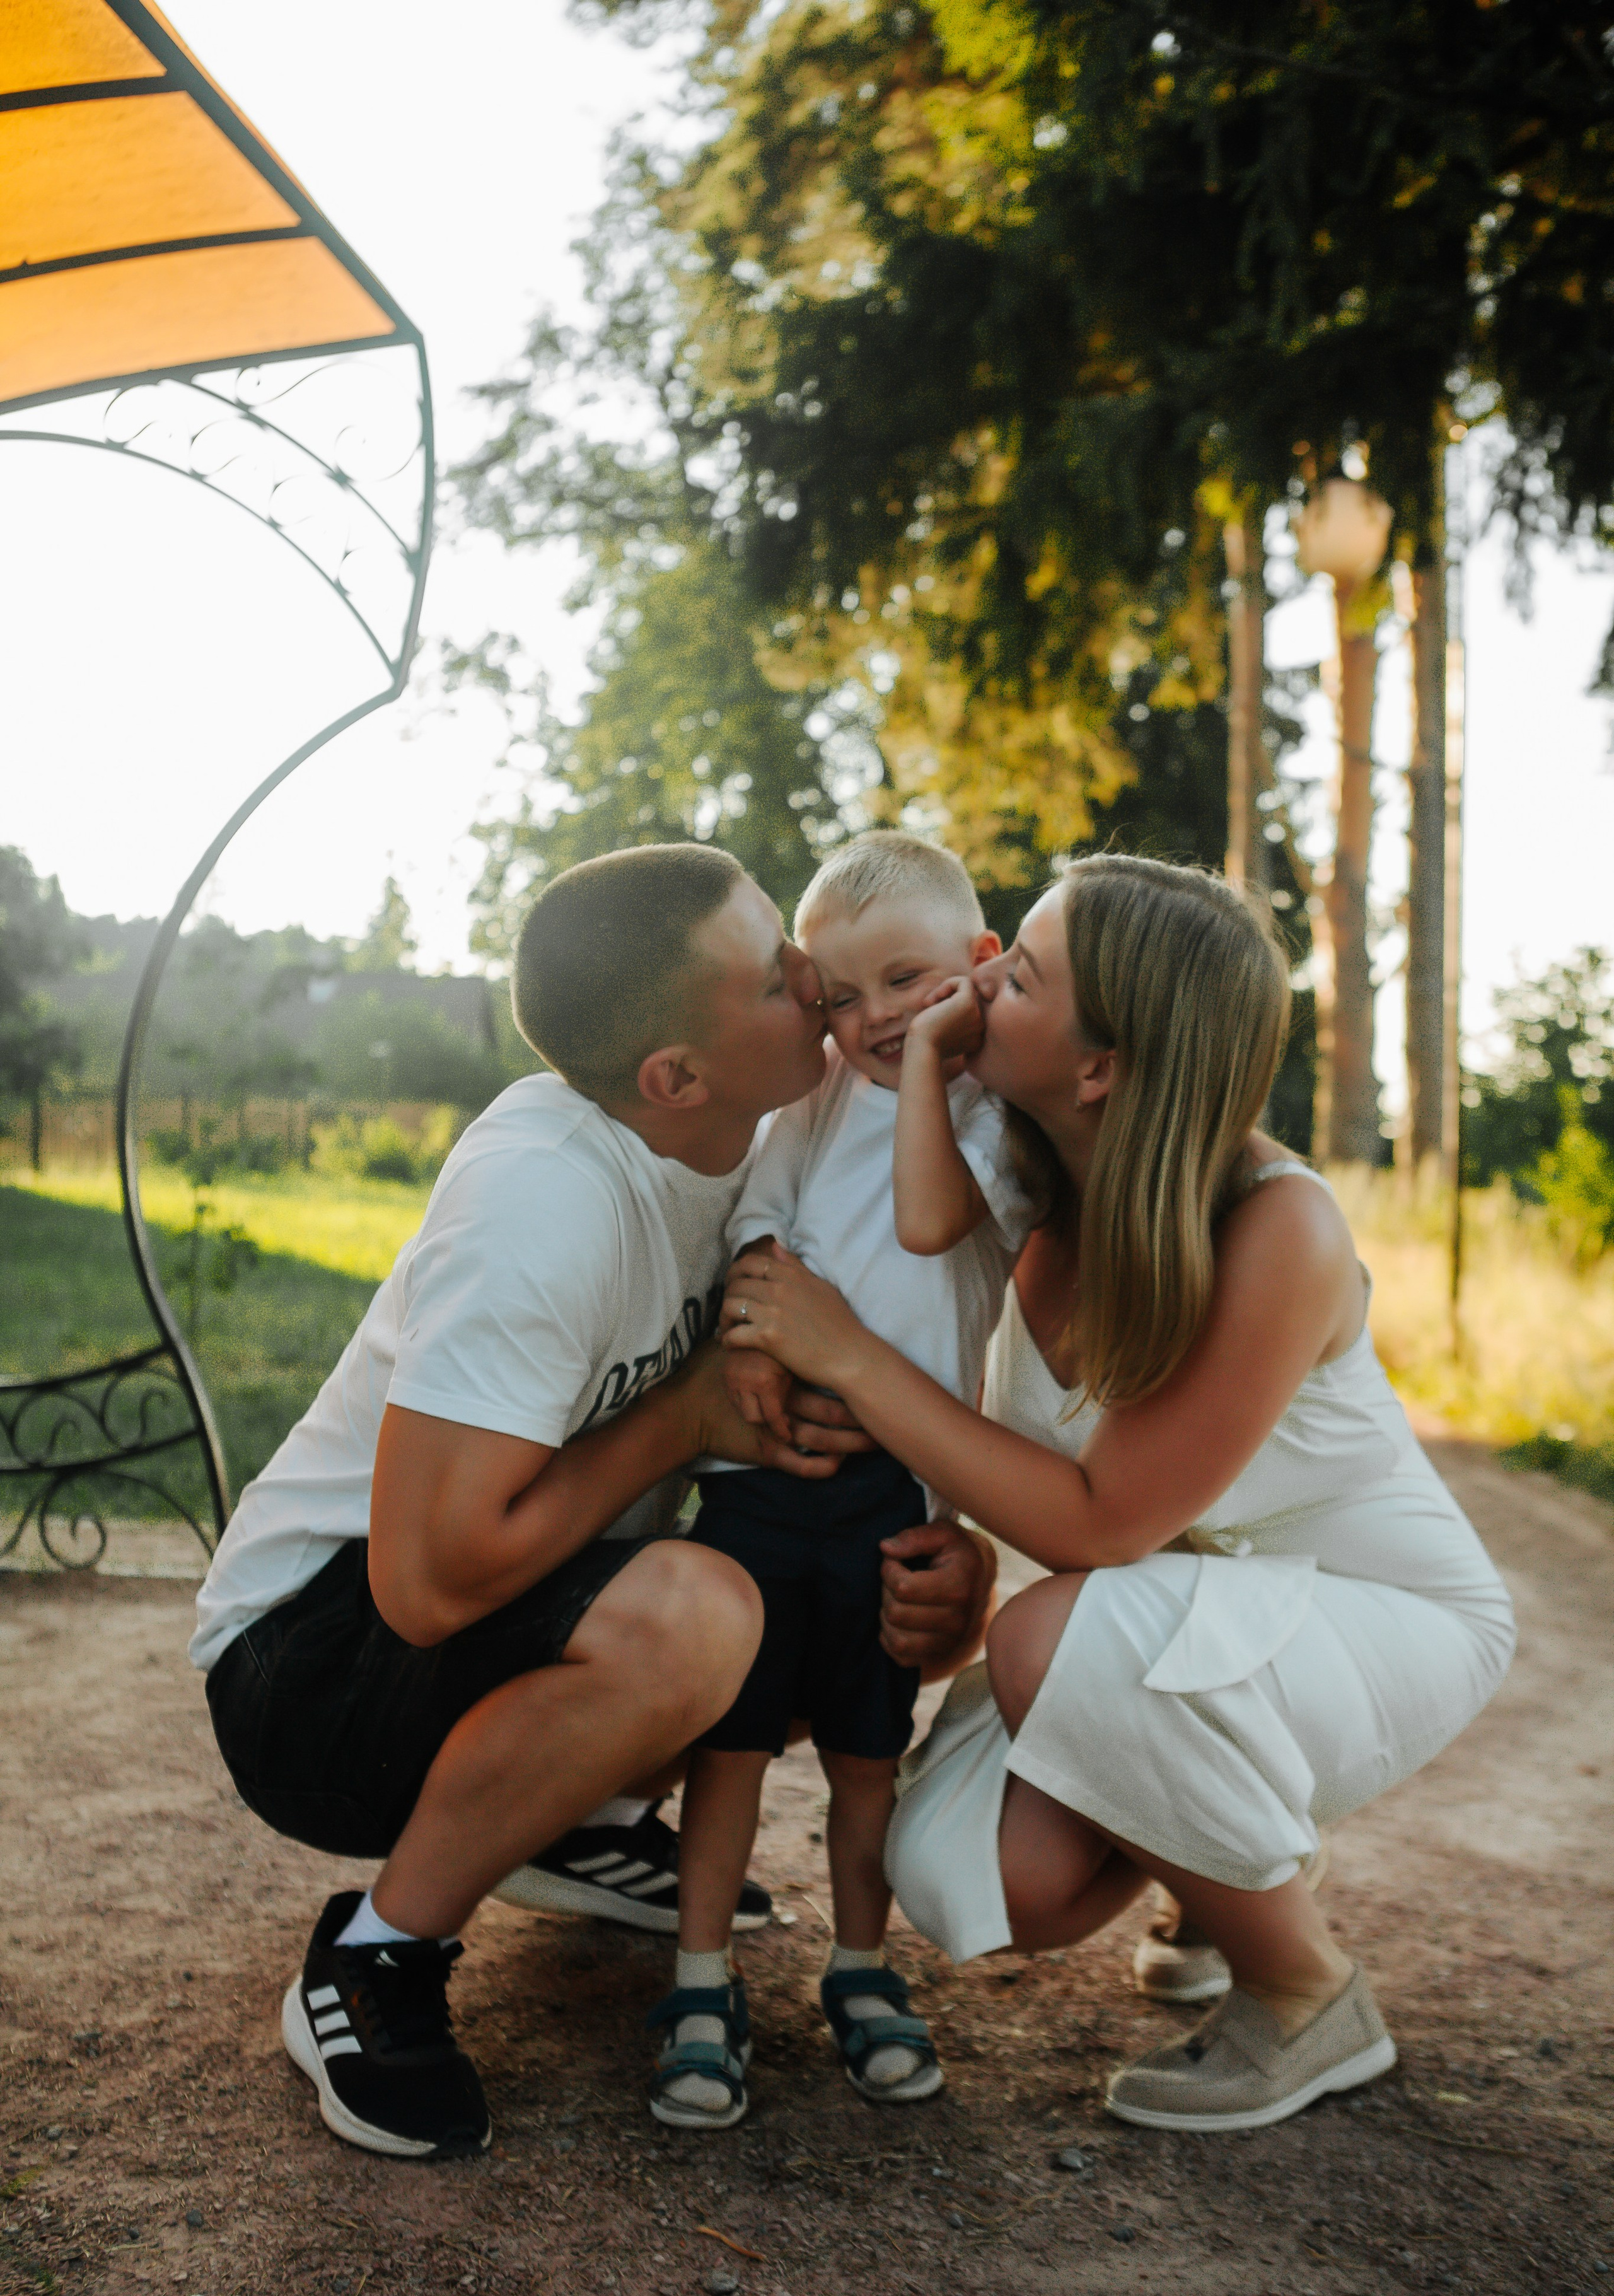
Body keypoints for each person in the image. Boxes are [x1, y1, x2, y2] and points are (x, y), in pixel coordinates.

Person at [189, 843, 991, 2161]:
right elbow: (426, 1584)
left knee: (810, 1592)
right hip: (308, 1666)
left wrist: (950, 1556)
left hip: (458, 1625)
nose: (814, 981)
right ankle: (375, 1953)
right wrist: (679, 1415)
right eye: (778, 978)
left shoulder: (763, 1136)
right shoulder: (544, 1197)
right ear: (673, 1076)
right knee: (702, 1612)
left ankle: (574, 1823)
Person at [721, 854, 1515, 2134]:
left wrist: (847, 1358)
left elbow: (1101, 1525)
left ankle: (1305, 1994)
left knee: (1049, 1641)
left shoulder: (1277, 1228)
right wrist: (964, 1555)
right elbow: (1029, 1474)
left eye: (1018, 974)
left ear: (1095, 1065)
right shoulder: (1027, 1186)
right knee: (972, 1871)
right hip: (1186, 1614)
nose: (979, 986)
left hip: (1377, 1619)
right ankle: (1216, 1875)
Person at [651, 833, 1035, 2128]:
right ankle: (698, 1981)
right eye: (841, 992)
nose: (872, 1019)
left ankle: (861, 1971)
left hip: (893, 1495)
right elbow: (756, 1229)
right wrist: (758, 1339)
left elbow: (934, 1225)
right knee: (732, 1746)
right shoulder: (813, 1102)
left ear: (980, 968)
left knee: (868, 1755)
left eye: (907, 981)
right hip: (765, 1477)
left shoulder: (993, 1116)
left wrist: (939, 1052)